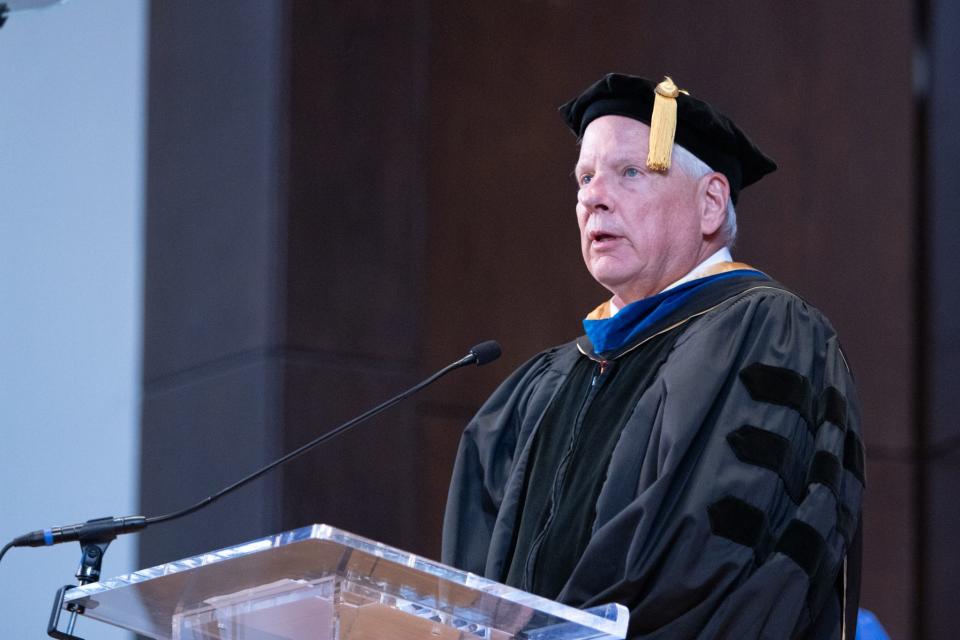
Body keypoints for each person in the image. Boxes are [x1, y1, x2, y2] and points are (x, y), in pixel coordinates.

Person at [441, 73, 864, 639]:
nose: (593, 196)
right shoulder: (539, 387)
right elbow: (468, 592)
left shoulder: (769, 335)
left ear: (711, 202)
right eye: (584, 177)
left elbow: (716, 559)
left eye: (630, 173)